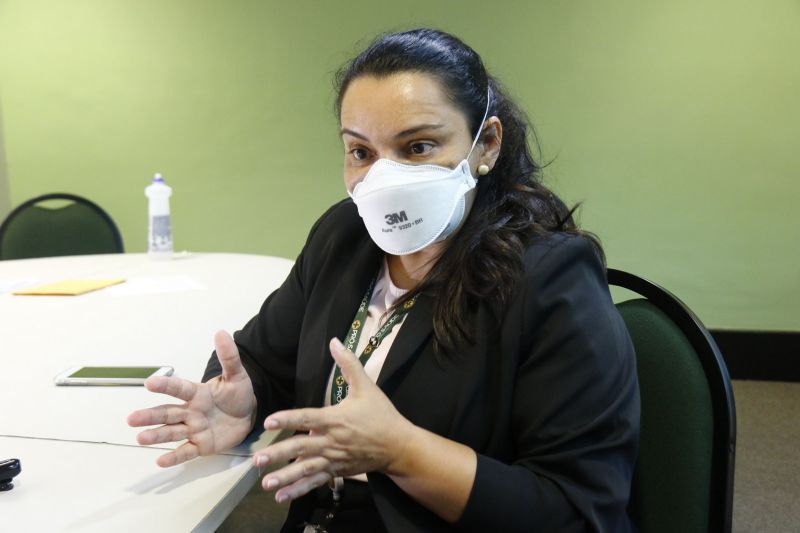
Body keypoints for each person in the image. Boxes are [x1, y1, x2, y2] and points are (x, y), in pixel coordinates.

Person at [128, 28, 640, 532]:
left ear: (485, 144)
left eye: (417, 147)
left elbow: (576, 510)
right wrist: (245, 403)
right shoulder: (343, 236)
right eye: (361, 152)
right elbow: (264, 360)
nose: (383, 179)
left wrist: (401, 452)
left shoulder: (551, 277)